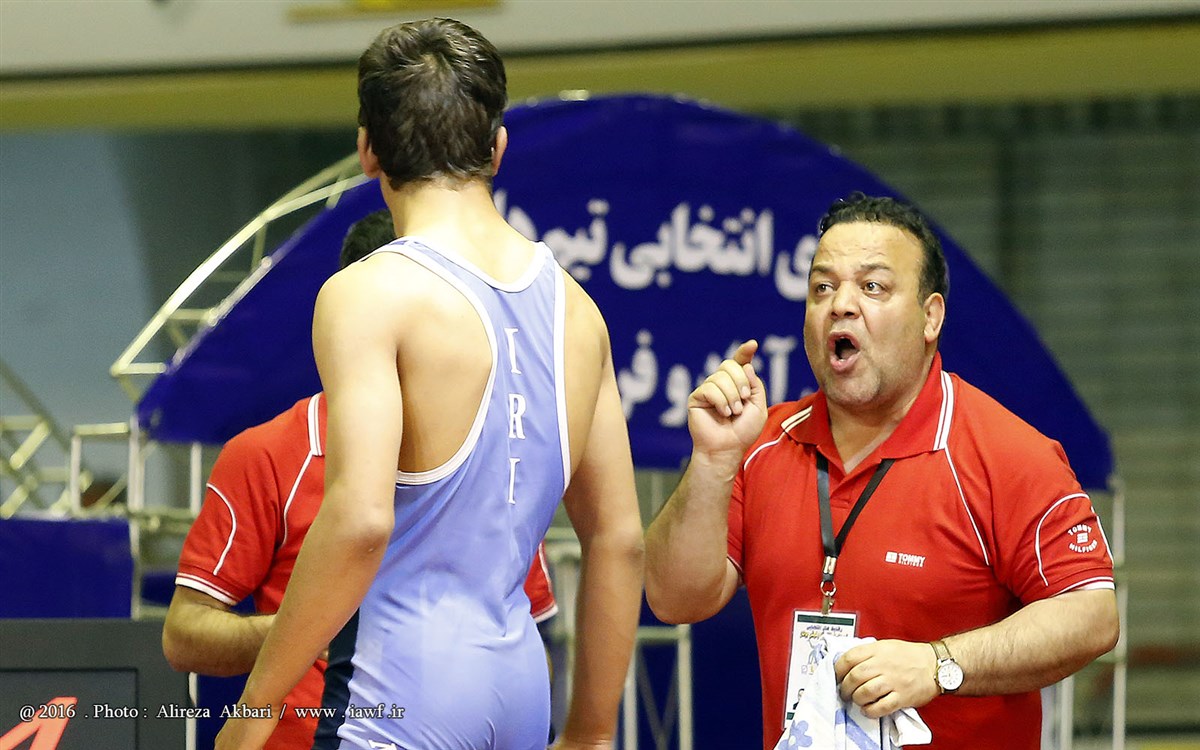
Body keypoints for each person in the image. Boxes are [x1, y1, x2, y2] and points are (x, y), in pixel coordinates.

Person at [216, 17, 644, 750]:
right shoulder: (579, 310)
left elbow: (360, 520)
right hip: (521, 684)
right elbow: (619, 538)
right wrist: (592, 732)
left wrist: (255, 709)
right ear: (497, 147)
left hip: (400, 686)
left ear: (367, 151)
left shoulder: (367, 293)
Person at [644, 192, 1119, 749]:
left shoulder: (1007, 454)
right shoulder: (762, 443)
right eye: (823, 287)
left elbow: (1091, 615)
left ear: (930, 317)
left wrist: (939, 665)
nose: (841, 305)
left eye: (872, 287)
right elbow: (674, 599)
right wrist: (712, 461)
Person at [162, 210, 559, 750]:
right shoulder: (267, 455)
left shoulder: (499, 456)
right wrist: (302, 631)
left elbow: (531, 635)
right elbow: (184, 634)